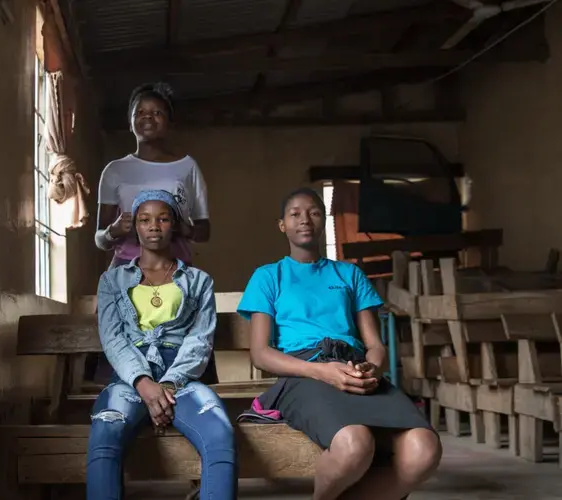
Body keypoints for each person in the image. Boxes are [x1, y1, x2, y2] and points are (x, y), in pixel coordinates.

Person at [236, 187, 441, 500]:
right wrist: (320, 372)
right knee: (354, 444)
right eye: (295, 214)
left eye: (314, 212)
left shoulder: (349, 274)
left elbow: (376, 345)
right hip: (303, 374)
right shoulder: (268, 276)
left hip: (355, 369)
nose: (305, 219)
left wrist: (372, 368)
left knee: (424, 450)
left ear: (323, 221)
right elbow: (261, 354)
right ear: (282, 225)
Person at [86, 189, 236, 500]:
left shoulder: (199, 281)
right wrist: (144, 383)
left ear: (175, 225)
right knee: (105, 432)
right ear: (135, 227)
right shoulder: (112, 281)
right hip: (131, 379)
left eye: (163, 219)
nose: (154, 226)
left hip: (183, 379)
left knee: (219, 432)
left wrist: (168, 384)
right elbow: (113, 338)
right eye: (145, 219)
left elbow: (200, 339)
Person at [94, 82, 210, 268]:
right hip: (127, 269)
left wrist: (183, 229)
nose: (147, 116)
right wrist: (113, 231)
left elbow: (204, 232)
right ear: (131, 124)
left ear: (170, 124)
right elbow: (100, 240)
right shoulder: (114, 170)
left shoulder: (187, 167)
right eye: (139, 112)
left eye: (157, 113)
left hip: (176, 269)